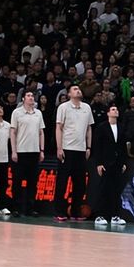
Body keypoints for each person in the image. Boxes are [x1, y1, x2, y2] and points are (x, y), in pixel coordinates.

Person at [54, 85, 94, 221]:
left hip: (81, 150)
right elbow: (59, 128)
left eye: (79, 89)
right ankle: (59, 212)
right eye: (75, 89)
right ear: (69, 94)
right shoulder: (63, 107)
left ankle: (76, 212)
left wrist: (88, 147)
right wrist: (59, 148)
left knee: (80, 184)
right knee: (62, 182)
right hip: (66, 149)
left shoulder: (87, 107)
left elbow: (89, 128)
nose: (78, 90)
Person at [10, 91, 45, 217]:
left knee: (33, 182)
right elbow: (13, 132)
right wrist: (14, 151)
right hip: (21, 152)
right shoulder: (17, 112)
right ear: (23, 99)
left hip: (34, 152)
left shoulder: (38, 113)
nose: (31, 98)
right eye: (28, 96)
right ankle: (16, 208)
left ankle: (31, 208)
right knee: (17, 182)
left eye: (32, 96)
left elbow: (41, 132)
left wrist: (42, 150)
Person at [92, 104, 127, 226]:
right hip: (106, 163)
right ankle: (99, 215)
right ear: (108, 113)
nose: (115, 111)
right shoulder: (102, 127)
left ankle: (115, 216)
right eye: (113, 109)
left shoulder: (121, 127)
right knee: (103, 189)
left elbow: (123, 147)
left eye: (116, 109)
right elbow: (97, 146)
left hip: (117, 163)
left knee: (116, 190)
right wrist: (99, 163)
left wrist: (123, 162)